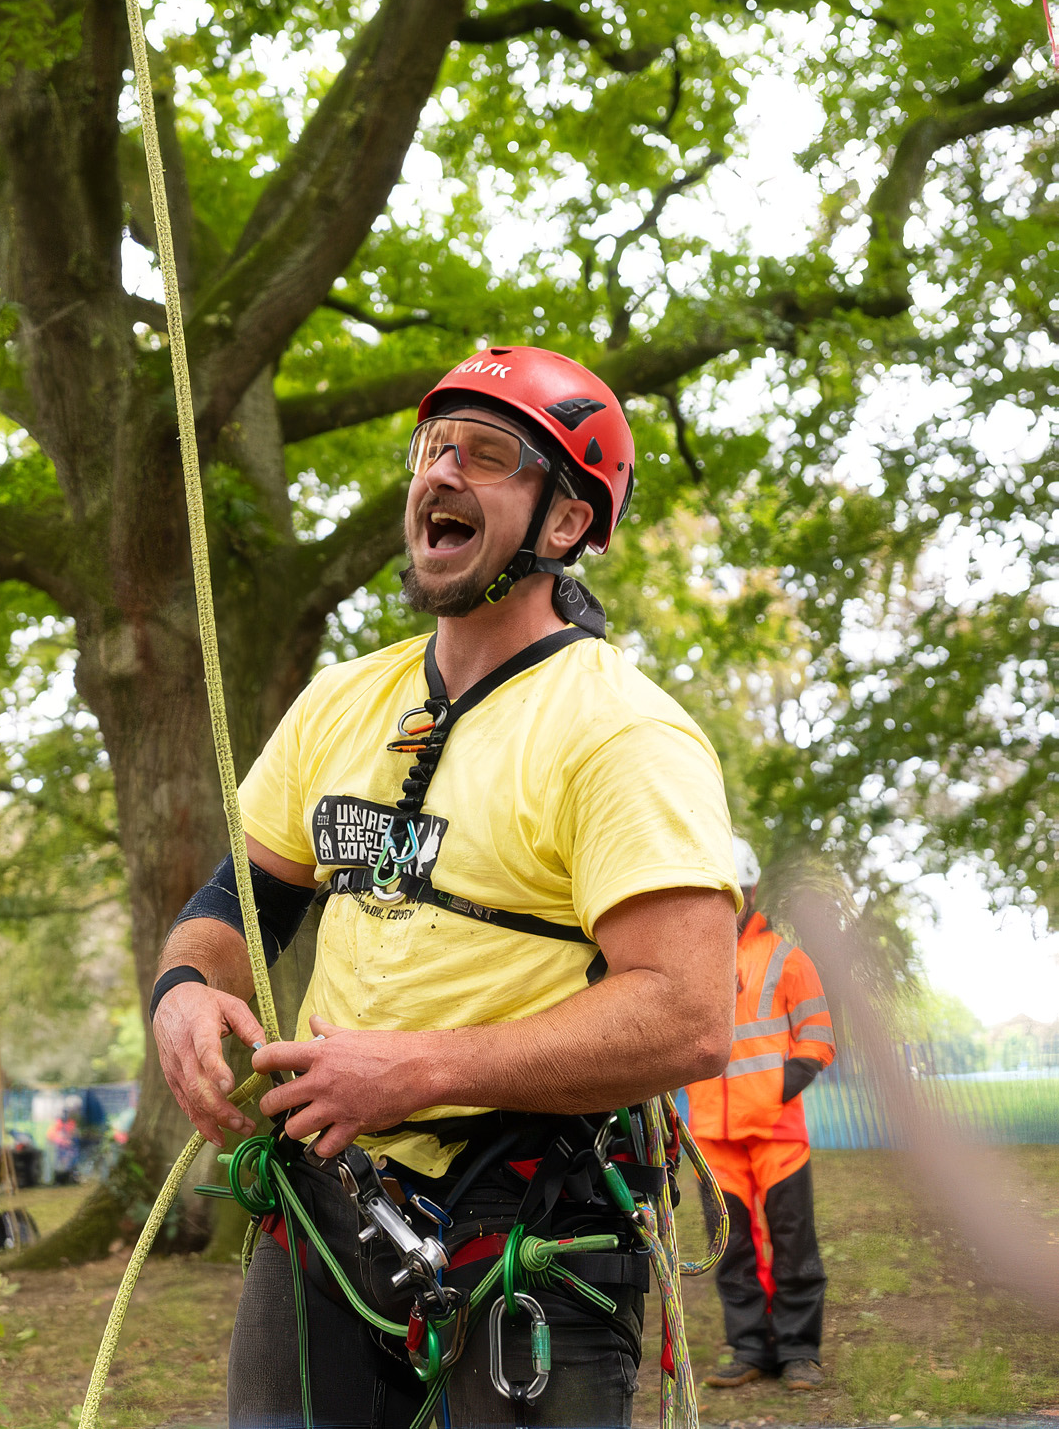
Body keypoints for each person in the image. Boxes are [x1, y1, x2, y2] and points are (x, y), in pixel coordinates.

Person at [152, 346, 741, 1428]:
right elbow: (238, 904)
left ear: (565, 523)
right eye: (431, 449)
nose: (441, 473)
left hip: (532, 1229)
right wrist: (184, 993)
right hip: (326, 1216)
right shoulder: (341, 702)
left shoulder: (623, 731)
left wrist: (417, 1069)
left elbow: (690, 1016)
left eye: (487, 455)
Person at [684, 838, 836, 1392]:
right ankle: (749, 1346)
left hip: (776, 1135)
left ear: (750, 891)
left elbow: (818, 1040)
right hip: (713, 1141)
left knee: (794, 1246)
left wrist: (772, 1091)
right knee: (734, 1250)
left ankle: (798, 1352)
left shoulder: (788, 960)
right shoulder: (689, 964)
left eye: (735, 891)